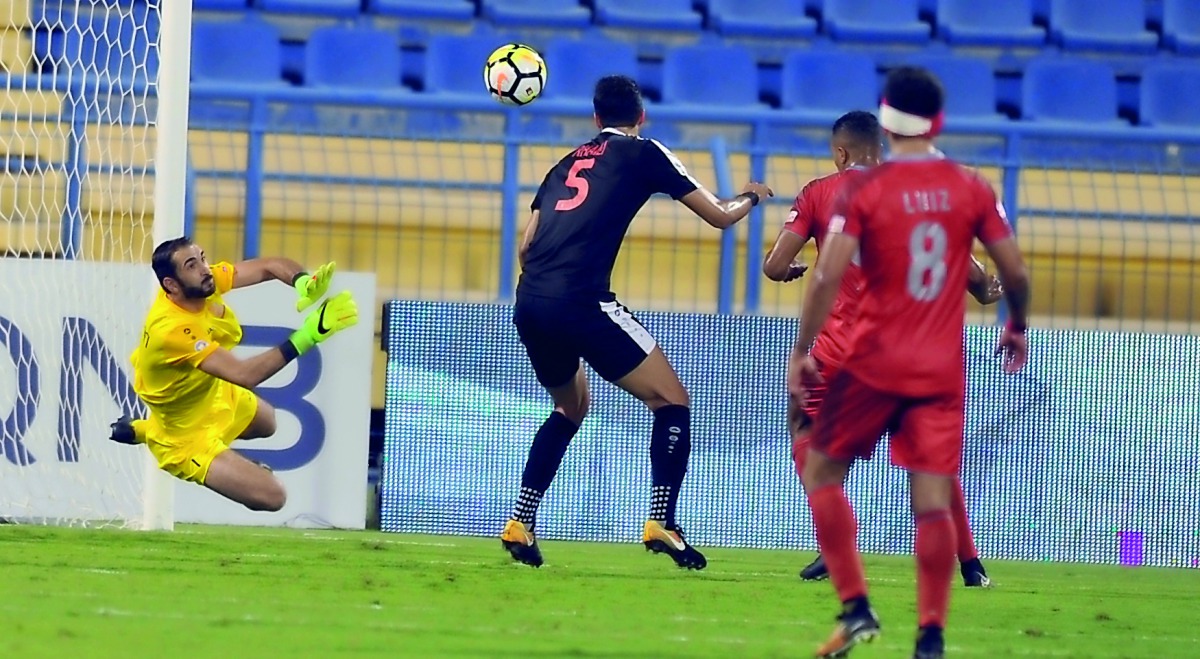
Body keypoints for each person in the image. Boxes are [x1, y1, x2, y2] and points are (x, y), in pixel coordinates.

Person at [791, 67, 1030, 658]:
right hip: (940, 370)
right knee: (931, 496)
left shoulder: (861, 191)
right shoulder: (972, 186)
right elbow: (1014, 274)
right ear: (940, 121)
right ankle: (930, 635)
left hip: (870, 363)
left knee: (820, 470)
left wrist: (802, 351)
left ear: (887, 119)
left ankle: (857, 609)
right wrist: (1017, 327)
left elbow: (825, 275)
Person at [501, 74, 773, 570]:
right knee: (672, 400)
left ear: (595, 119)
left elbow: (525, 246)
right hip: (582, 301)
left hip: (531, 300)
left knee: (571, 405)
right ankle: (662, 521)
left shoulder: (563, 164)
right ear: (640, 117)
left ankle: (521, 520)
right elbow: (719, 215)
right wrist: (752, 195)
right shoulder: (645, 152)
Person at [765, 111, 1003, 587]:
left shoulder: (818, 193)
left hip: (838, 352)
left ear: (840, 152)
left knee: (806, 431)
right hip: (912, 352)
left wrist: (788, 273)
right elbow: (972, 272)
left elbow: (776, 265)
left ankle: (835, 548)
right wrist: (987, 286)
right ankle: (971, 565)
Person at [109, 238, 359, 512]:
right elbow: (244, 374)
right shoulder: (172, 330)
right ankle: (152, 433)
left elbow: (268, 266)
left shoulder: (202, 283)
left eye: (203, 258)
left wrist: (303, 282)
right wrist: (308, 336)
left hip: (209, 394)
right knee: (273, 497)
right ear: (171, 285)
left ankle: (146, 429)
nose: (205, 269)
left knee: (268, 422)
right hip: (185, 437)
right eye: (192, 265)